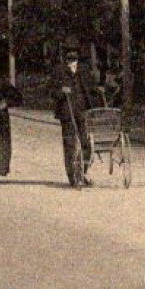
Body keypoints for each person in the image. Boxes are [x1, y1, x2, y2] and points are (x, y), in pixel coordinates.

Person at [50, 43, 96, 188]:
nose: (71, 55)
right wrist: (61, 91)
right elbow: (51, 90)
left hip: (82, 112)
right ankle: (72, 177)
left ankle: (83, 173)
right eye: (69, 52)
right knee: (69, 144)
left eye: (74, 52)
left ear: (78, 54)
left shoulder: (84, 69)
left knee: (85, 143)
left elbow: (91, 88)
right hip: (66, 112)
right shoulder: (59, 70)